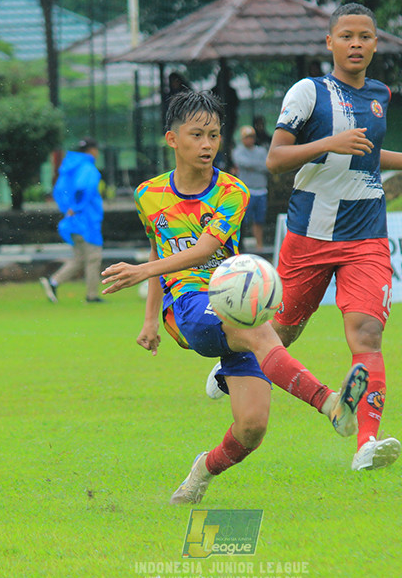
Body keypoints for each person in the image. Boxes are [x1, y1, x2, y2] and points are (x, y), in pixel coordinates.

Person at [100, 91, 369, 505]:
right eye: (196, 135)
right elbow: (161, 248)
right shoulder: (148, 195)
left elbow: (206, 249)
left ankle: (201, 472)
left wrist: (141, 271)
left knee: (252, 428)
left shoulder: (232, 191)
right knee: (263, 334)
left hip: (232, 302)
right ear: (172, 139)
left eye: (214, 135)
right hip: (190, 306)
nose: (207, 144)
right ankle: (331, 405)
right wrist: (151, 319)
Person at [264, 3, 402, 471]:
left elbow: (366, 153)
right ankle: (233, 367)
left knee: (366, 332)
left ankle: (366, 442)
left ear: (376, 43)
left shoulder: (381, 93)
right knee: (282, 331)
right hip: (310, 232)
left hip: (366, 233)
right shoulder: (309, 92)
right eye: (346, 36)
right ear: (330, 43)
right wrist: (326, 143)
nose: (356, 44)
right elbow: (276, 158)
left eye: (365, 36)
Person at [40, 137, 105, 304]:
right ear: (92, 150)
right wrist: (76, 207)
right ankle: (92, 296)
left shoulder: (69, 167)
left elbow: (59, 190)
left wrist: (67, 208)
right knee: (93, 258)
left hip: (73, 221)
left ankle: (53, 281)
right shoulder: (87, 168)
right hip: (86, 221)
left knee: (79, 258)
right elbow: (84, 188)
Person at [230, 125, 269, 251]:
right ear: (242, 139)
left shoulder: (261, 151)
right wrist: (258, 165)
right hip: (246, 191)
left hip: (261, 190)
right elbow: (243, 163)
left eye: (251, 137)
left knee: (259, 221)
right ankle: (241, 246)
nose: (249, 139)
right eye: (247, 137)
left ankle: (259, 246)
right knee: (243, 221)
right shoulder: (238, 151)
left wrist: (253, 166)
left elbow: (267, 166)